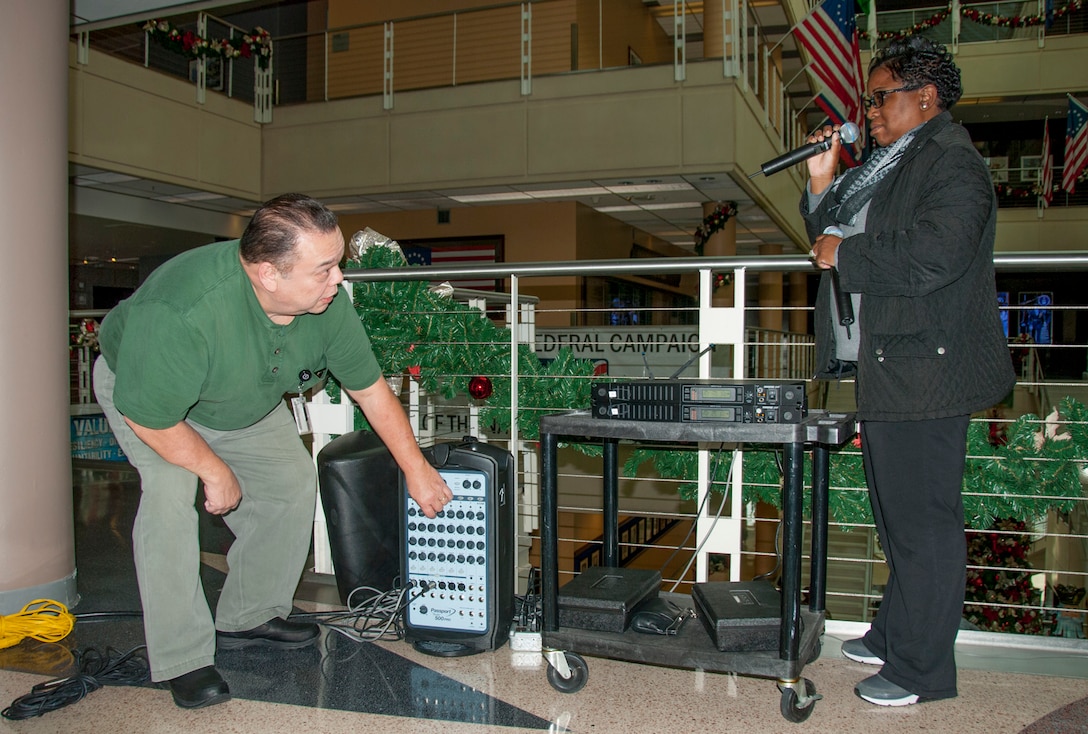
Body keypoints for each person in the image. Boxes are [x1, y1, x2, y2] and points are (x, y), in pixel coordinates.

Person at [93, 193, 453, 709]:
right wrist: (213, 469)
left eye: (339, 264)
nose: (339, 280)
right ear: (267, 274)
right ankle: (182, 657)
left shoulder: (328, 305)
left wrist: (416, 468)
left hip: (242, 395)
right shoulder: (183, 309)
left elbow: (371, 390)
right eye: (324, 268)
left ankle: (249, 614)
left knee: (289, 482)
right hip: (153, 399)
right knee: (172, 495)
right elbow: (151, 415)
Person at [803, 37, 1015, 706]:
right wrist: (819, 182)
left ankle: (922, 670)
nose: (868, 110)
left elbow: (934, 254)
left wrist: (848, 252)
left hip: (929, 370)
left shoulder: (953, 164)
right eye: (868, 98)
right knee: (899, 518)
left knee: (924, 524)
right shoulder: (895, 163)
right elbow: (831, 231)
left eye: (879, 96)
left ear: (925, 98)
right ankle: (896, 633)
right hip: (892, 364)